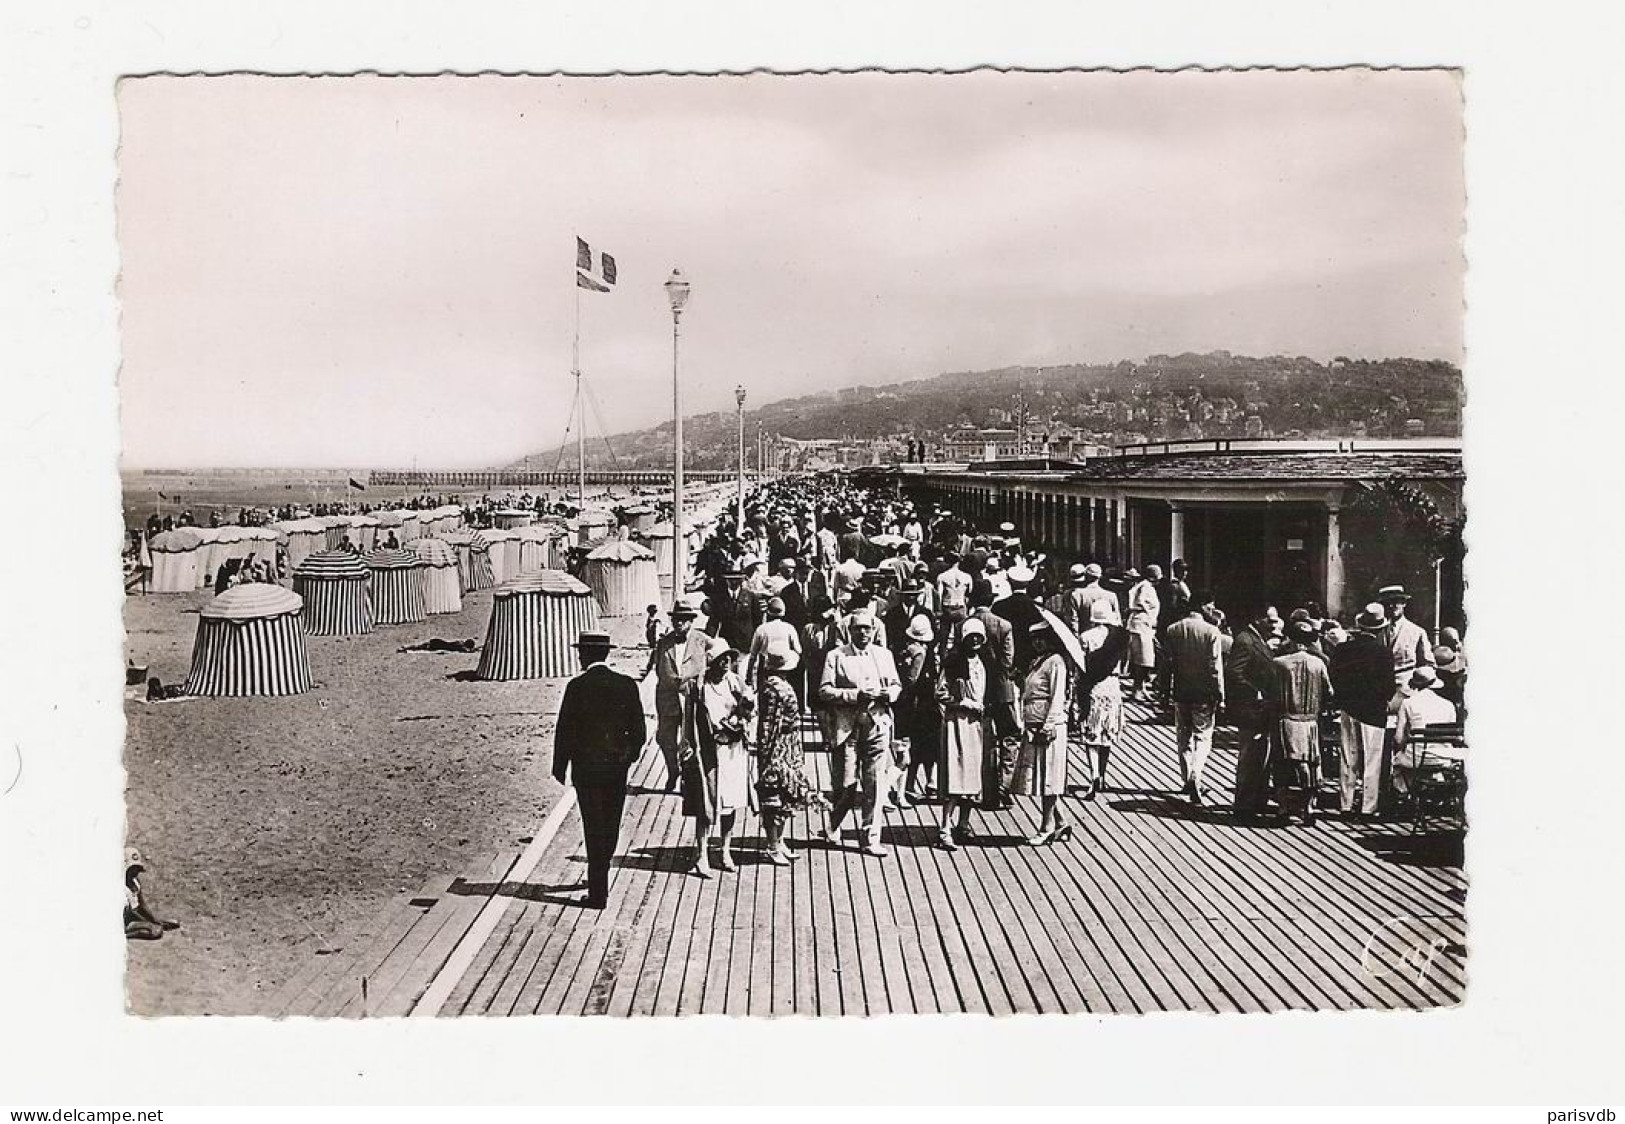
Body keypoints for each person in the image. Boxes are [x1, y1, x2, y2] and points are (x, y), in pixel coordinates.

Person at [552, 630, 647, 909]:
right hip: (616, 769)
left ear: (584, 654)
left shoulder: (576, 687)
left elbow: (565, 730)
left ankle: (598, 892)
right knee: (611, 822)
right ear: (606, 654)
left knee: (593, 825)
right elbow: (639, 731)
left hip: (586, 770)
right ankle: (601, 872)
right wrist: (627, 756)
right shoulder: (626, 685)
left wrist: (561, 765)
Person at [819, 610, 902, 857]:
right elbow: (824, 691)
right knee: (846, 785)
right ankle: (833, 823)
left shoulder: (884, 655)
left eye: (867, 628)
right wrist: (854, 696)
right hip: (848, 728)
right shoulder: (836, 656)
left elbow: (897, 684)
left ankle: (870, 838)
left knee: (875, 784)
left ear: (874, 630)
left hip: (878, 724)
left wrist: (891, 694)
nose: (863, 633)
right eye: (858, 628)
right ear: (849, 631)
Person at [681, 639, 756, 876]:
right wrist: (686, 747)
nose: (726, 663)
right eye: (721, 659)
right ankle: (701, 854)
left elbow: (748, 712)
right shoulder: (698, 687)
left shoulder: (736, 683)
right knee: (706, 801)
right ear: (710, 661)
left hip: (732, 751)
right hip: (708, 751)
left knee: (730, 802)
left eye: (729, 659)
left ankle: (725, 850)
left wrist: (741, 721)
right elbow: (688, 720)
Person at [754, 639, 826, 866]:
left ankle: (779, 841)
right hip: (778, 746)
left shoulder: (775, 684)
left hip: (788, 743)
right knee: (775, 794)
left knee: (787, 793)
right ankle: (772, 844)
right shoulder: (772, 688)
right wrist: (768, 753)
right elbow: (769, 724)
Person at [1328, 604, 1396, 817]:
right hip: (1373, 713)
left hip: (1348, 709)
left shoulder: (1342, 650)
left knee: (1348, 758)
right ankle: (1368, 806)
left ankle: (1346, 804)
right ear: (1380, 629)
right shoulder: (1383, 653)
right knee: (1372, 760)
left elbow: (1334, 679)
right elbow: (1389, 686)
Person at [1164, 591, 1226, 806]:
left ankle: (1186, 777)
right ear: (1201, 606)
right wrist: (1221, 694)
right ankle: (1196, 774)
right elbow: (1215, 666)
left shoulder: (1173, 629)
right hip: (1204, 691)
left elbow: (1168, 663)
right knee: (1203, 736)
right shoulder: (1212, 631)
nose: (1212, 610)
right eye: (1210, 606)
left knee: (1183, 735)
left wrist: (1165, 691)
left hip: (1181, 689)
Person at [934, 618, 990, 849]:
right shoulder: (953, 663)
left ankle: (964, 823)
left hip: (976, 725)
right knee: (956, 773)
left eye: (979, 636)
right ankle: (945, 826)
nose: (975, 640)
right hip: (957, 722)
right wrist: (963, 702)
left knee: (973, 774)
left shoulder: (984, 662)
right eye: (971, 636)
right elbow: (940, 693)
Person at [1016, 623, 1074, 845]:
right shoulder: (1037, 662)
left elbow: (1057, 696)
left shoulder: (1056, 662)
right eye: (1034, 639)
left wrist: (1048, 726)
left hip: (1046, 725)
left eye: (1042, 638)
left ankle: (1046, 827)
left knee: (1048, 777)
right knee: (1042, 775)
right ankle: (1060, 822)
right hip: (1033, 721)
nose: (1037, 643)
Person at [1272, 620, 1334, 826]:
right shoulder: (1319, 664)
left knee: (1281, 764)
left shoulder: (1279, 663)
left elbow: (1268, 691)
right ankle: (1309, 807)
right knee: (1312, 763)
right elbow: (1329, 692)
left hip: (1286, 719)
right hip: (1310, 722)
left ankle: (1282, 809)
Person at [1226, 610, 1280, 816]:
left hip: (1261, 709)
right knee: (1250, 756)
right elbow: (1234, 672)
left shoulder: (1257, 639)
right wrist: (1254, 691)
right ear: (1257, 618)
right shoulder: (1245, 641)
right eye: (1270, 619)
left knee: (1260, 755)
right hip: (1251, 708)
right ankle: (1244, 803)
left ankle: (1258, 799)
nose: (1273, 624)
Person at [642, 599, 699, 791]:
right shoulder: (663, 643)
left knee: (690, 739)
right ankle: (673, 770)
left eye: (683, 619)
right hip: (667, 698)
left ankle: (687, 778)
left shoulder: (702, 641)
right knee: (665, 738)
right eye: (676, 619)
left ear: (691, 621)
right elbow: (657, 669)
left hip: (692, 698)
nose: (679, 623)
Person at [1077, 597, 1129, 798]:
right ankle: (1104, 775)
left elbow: (1082, 666)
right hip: (1113, 685)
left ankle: (1093, 775)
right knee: (1107, 733)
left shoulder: (1085, 637)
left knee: (1092, 733)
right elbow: (1123, 663)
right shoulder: (1118, 637)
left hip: (1093, 687)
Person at [1392, 666, 1460, 798]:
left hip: (1418, 758)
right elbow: (1451, 736)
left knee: (1398, 759)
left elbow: (1398, 738)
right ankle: (1435, 792)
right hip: (1443, 758)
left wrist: (1401, 748)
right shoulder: (1448, 705)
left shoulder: (1408, 703)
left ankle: (1405, 792)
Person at [897, 614, 941, 805]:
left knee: (916, 746)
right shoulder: (921, 652)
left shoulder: (905, 649)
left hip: (911, 704)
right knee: (925, 745)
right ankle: (916, 785)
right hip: (922, 704)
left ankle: (913, 784)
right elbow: (913, 679)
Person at [1378, 585, 1435, 682]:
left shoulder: (1417, 632)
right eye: (1388, 603)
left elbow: (1428, 664)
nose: (1391, 606)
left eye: (1396, 602)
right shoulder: (1377, 631)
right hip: (1380, 688)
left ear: (1404, 603)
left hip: (1407, 688)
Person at [123, 848, 180, 940]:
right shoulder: (121, 888)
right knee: (155, 931)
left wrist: (154, 919)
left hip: (136, 914)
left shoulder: (136, 881)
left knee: (172, 923)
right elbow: (130, 912)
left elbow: (142, 904)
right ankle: (126, 934)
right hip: (127, 919)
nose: (136, 872)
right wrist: (147, 922)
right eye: (132, 869)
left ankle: (148, 925)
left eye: (137, 869)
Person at [1125, 565, 1162, 701]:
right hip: (1142, 624)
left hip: (1142, 624)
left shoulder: (1144, 586)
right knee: (1143, 659)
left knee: (1143, 658)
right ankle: (1137, 689)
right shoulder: (1145, 587)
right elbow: (1140, 601)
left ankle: (1140, 687)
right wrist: (1148, 614)